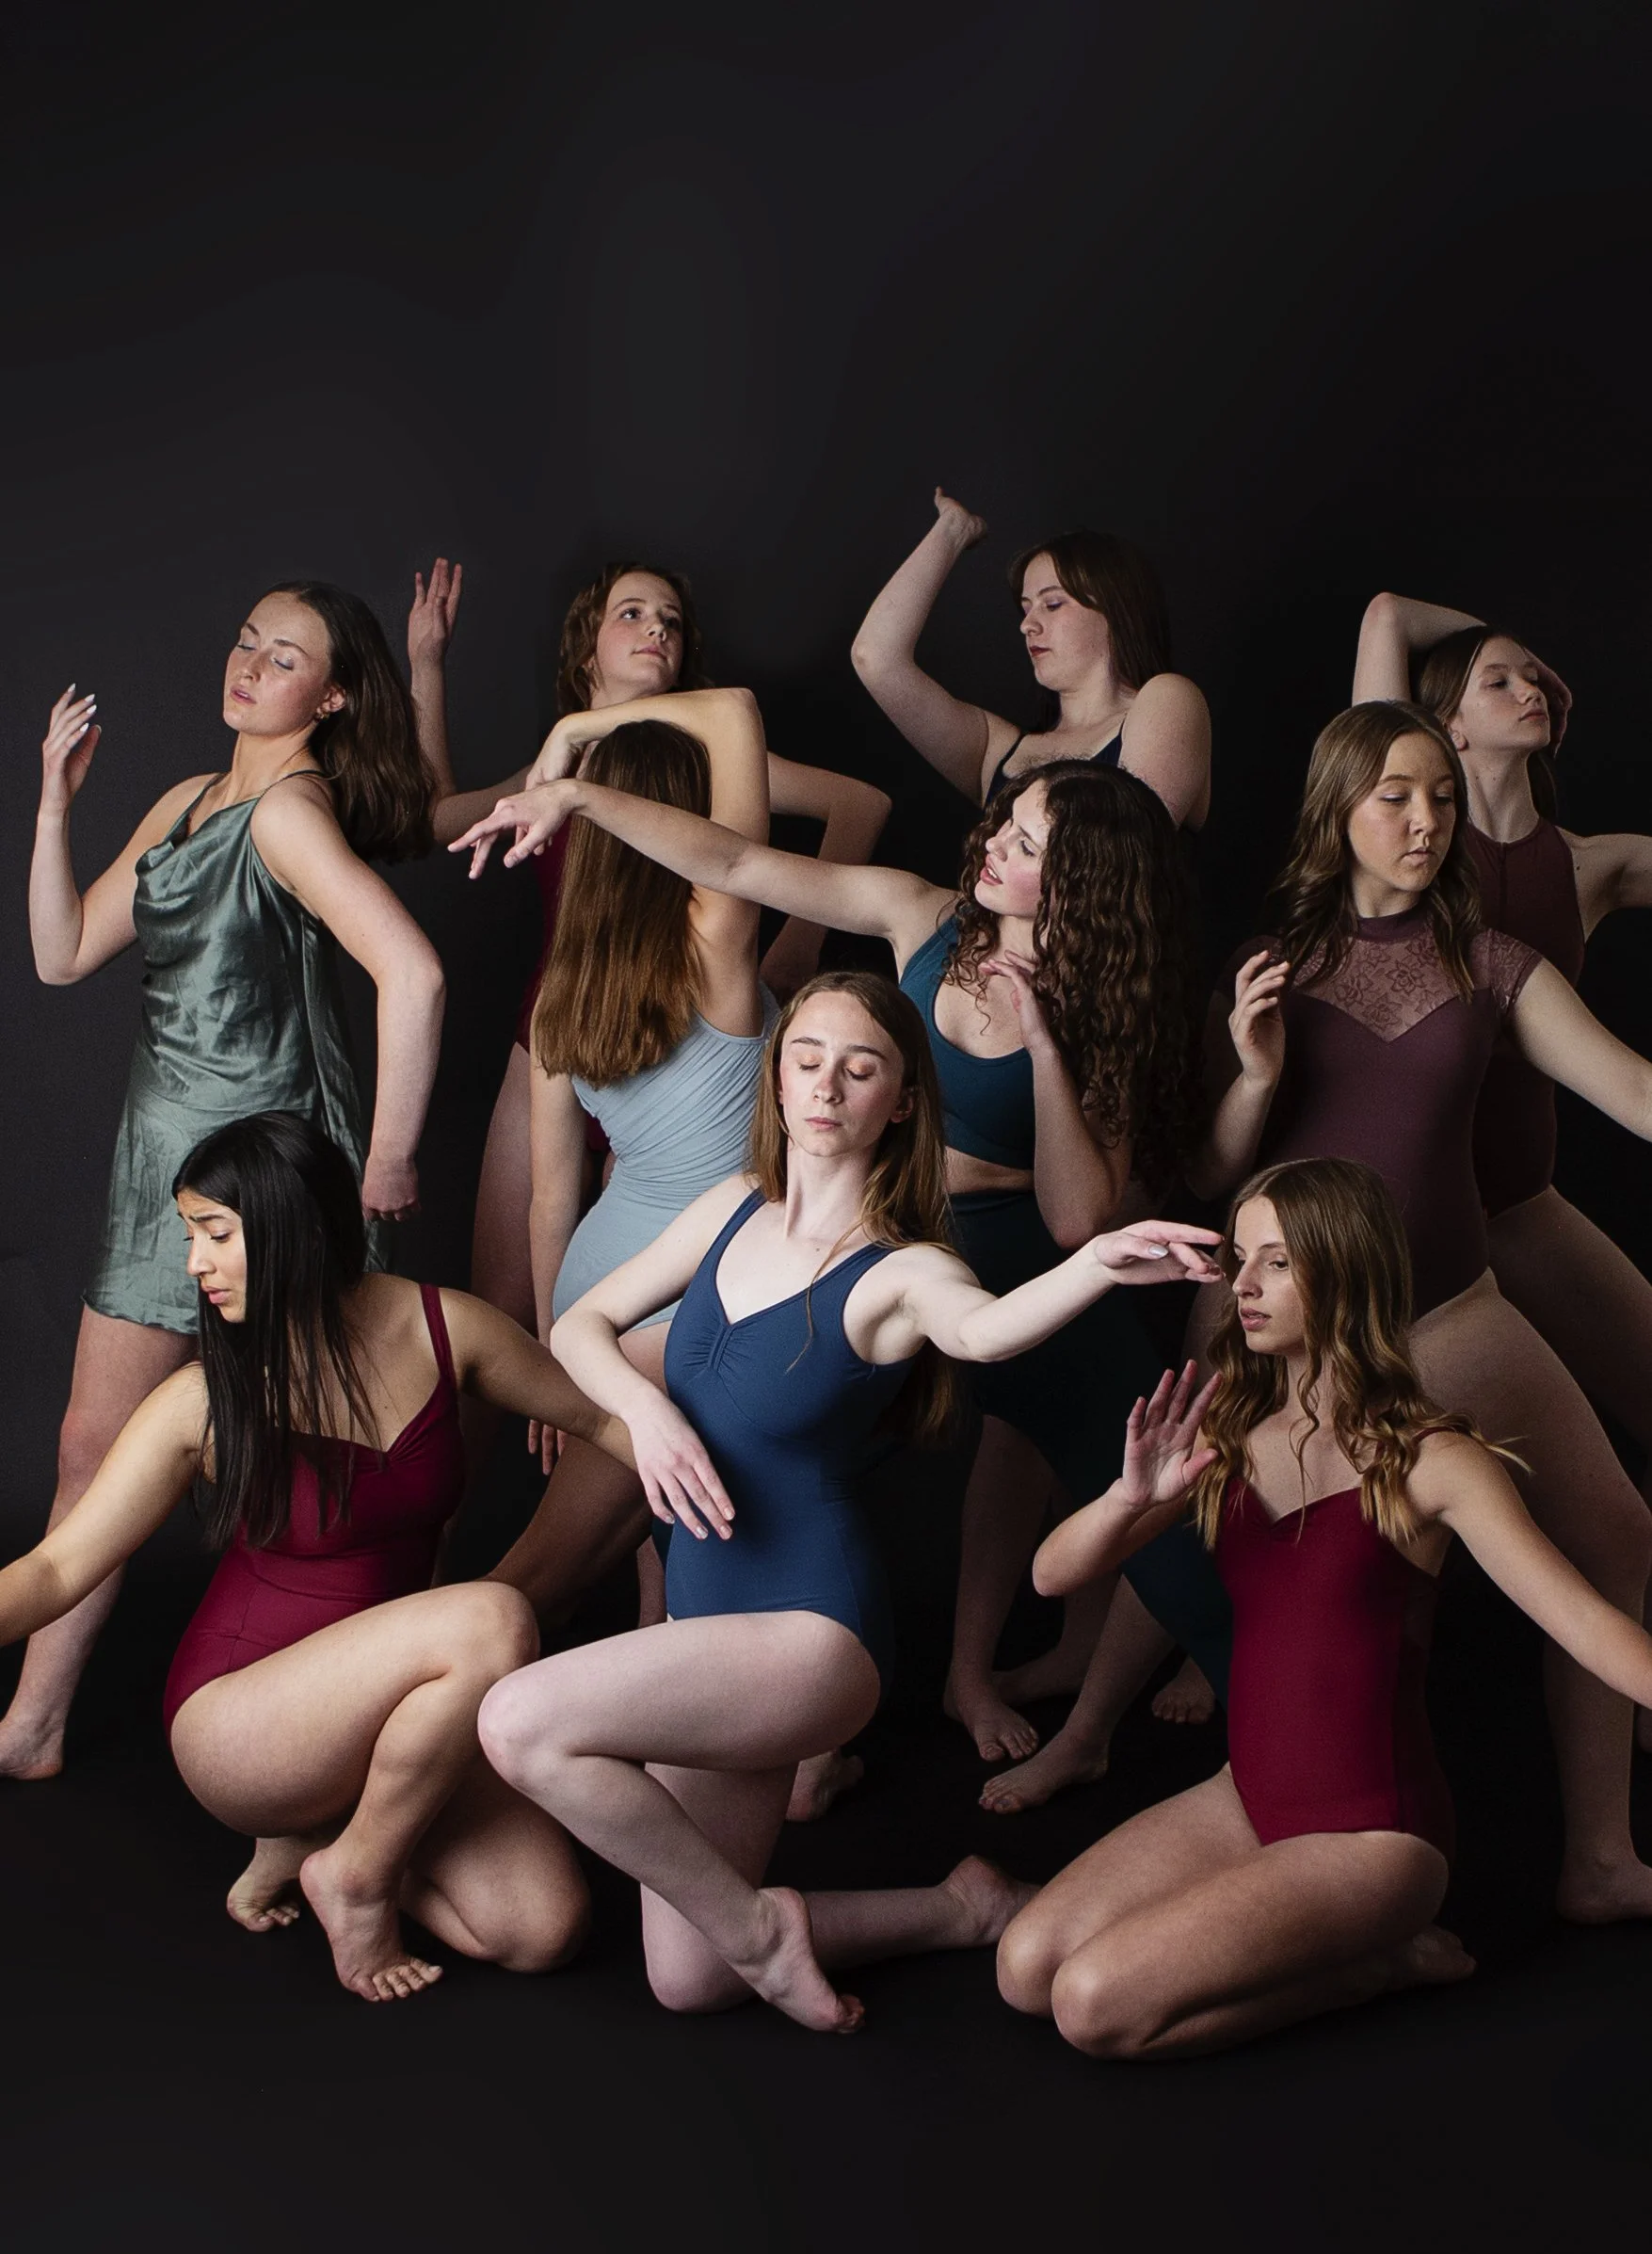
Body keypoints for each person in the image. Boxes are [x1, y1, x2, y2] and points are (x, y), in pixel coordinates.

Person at [450, 754, 1223, 1783]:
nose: (993, 844)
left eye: (1027, 846)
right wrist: (582, 796)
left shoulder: (1107, 1007)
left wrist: (1044, 1045)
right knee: (664, 1391)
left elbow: (1078, 1217)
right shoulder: (922, 917)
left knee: (1181, 1537)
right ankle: (514, 1632)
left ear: (1083, 884)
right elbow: (733, 858)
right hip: (868, 1263)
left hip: (1016, 1282)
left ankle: (1291, 1757)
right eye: (1006, 823)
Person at [474, 974, 1224, 2034]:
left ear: (902, 1101)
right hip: (705, 1626)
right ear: (778, 1076)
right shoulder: (731, 1207)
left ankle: (763, 1936)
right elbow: (581, 1324)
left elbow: (988, 1330)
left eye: (860, 1067)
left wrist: (1096, 1261)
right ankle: (959, 1907)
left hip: (809, 1636)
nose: (827, 1085)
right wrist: (645, 1417)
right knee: (686, 1979)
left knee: (517, 1721)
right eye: (807, 1057)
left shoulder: (898, 1272)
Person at [996, 1157, 1652, 2058]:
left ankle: (1371, 1966)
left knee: (1092, 2008)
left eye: (1279, 1261)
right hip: (1245, 1798)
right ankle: (1357, 1958)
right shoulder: (1224, 1437)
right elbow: (1049, 1577)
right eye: (1241, 1258)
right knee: (1024, 1967)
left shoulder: (1431, 1459)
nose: (1245, 1286)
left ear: (1344, 1270)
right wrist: (1126, 1498)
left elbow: (1582, 1621)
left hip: (1373, 1839)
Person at [0, 1113, 636, 2002]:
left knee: (539, 1930)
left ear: (291, 1227)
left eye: (216, 1235)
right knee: (494, 1617)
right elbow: (57, 1571)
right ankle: (358, 1878)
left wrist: (726, 1475)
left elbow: (609, 1421)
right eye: (191, 1236)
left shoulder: (445, 1328)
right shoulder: (203, 1402)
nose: (195, 1265)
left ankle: (327, 1845)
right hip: (245, 1723)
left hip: (414, 1709)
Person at [1194, 700, 1652, 1919]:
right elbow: (1211, 1173)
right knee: (1289, 1587)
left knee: (1615, 1533)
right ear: (1336, 806)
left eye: (1439, 798)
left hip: (1454, 1307)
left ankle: (1599, 1859)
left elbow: (1630, 1087)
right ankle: (1280, 1833)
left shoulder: (1492, 961)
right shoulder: (1273, 959)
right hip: (1307, 1344)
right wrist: (1246, 1076)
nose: (1421, 820)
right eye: (1393, 795)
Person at [0, 583, 446, 1783]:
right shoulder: (189, 801)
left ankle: (378, 1722)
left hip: (263, 1177)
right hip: (159, 1162)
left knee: (314, 1455)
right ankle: (33, 1724)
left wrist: (391, 1154)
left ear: (333, 694)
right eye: (248, 639)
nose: (249, 663)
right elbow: (58, 956)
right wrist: (53, 806)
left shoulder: (294, 816)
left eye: (284, 655)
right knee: (92, 1445)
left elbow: (414, 972)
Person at [411, 557, 890, 1340]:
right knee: (504, 1298)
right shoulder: (551, 766)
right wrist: (428, 666)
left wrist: (795, 943)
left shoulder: (696, 764)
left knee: (666, 1259)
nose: (656, 628)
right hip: (564, 1032)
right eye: (632, 614)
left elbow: (858, 805)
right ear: (584, 650)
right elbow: (436, 820)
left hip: (685, 1033)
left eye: (670, 619)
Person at [1355, 597, 1652, 1735]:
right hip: (1413, 1248)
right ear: (1441, 728)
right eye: (1500, 679)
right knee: (1398, 1525)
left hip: (1521, 1213)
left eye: (1543, 677)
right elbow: (1384, 618)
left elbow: (1627, 1087)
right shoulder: (1402, 850)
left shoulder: (1588, 863)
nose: (1535, 688)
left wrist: (1498, 654)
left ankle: (1624, 1695)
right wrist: (1476, 632)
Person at [850, 488, 1211, 823]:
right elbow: (876, 657)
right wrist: (951, 531)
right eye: (1025, 609)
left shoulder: (1168, 699)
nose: (1027, 626)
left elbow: (1125, 856)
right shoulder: (997, 750)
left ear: (1119, 612)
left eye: (1052, 604)